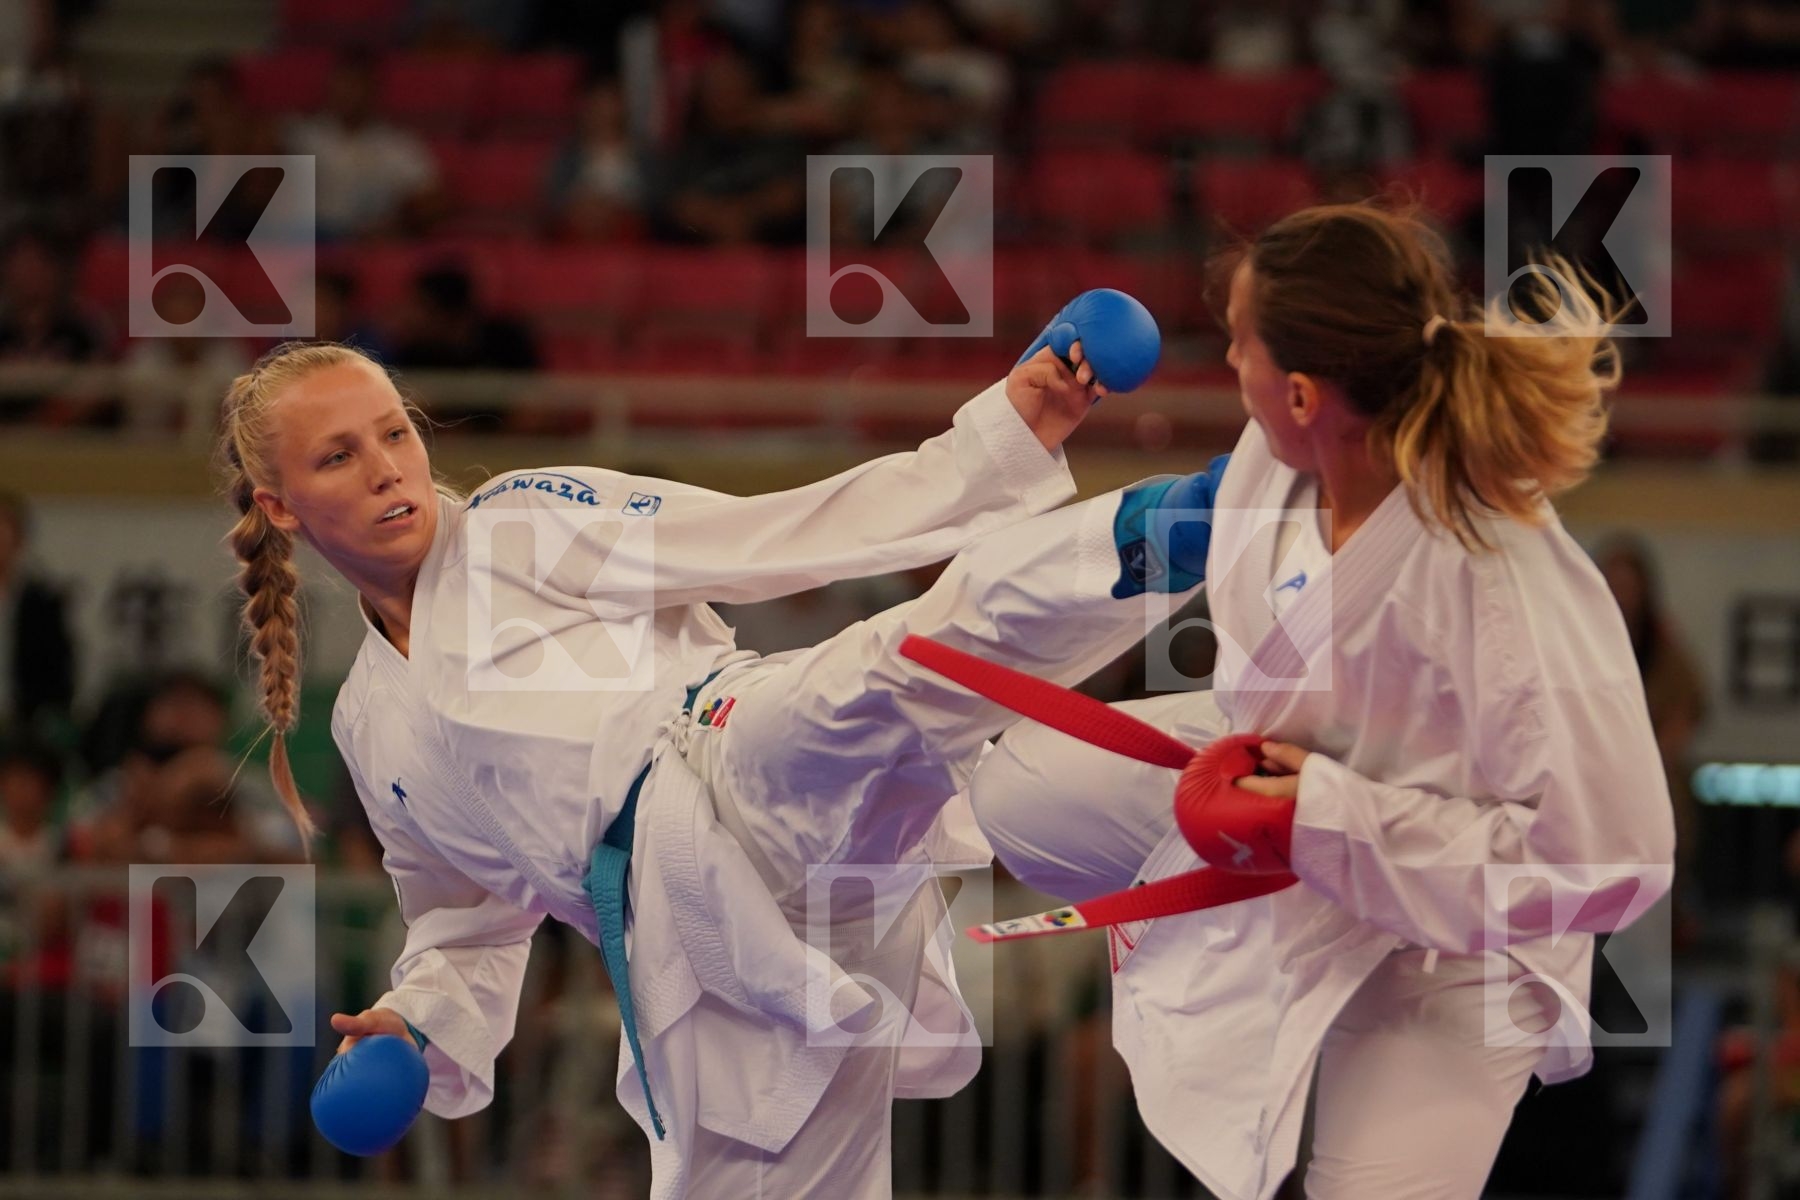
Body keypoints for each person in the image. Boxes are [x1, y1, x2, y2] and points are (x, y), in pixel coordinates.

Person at [217, 321, 1192, 1197]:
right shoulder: (366, 725)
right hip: (691, 942)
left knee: (876, 684)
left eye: (395, 431)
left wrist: (997, 443)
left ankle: (1138, 546)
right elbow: (466, 920)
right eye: (339, 456)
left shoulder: (519, 524)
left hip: (715, 753)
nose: (388, 468)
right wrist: (415, 1021)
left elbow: (773, 535)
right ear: (284, 507)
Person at [966, 203, 1676, 1199]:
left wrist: (1327, 816)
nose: (1226, 363)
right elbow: (1140, 538)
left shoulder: (1493, 566)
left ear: (1301, 391)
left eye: (1238, 342)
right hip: (1295, 827)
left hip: (1460, 936)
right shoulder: (1277, 467)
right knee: (1013, 790)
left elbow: (1615, 857)